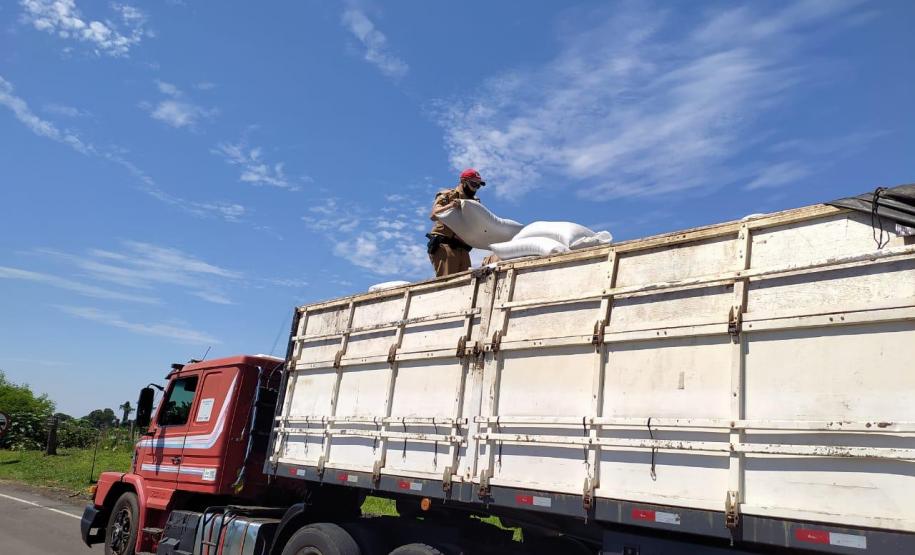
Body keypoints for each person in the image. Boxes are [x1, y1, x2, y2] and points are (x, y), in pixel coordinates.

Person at [427, 168, 486, 277]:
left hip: (463, 249)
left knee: (466, 283)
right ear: (463, 182)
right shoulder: (449, 195)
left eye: (478, 185)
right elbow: (433, 215)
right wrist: (451, 206)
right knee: (448, 283)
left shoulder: (474, 202)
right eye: (474, 184)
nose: (476, 188)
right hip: (446, 246)